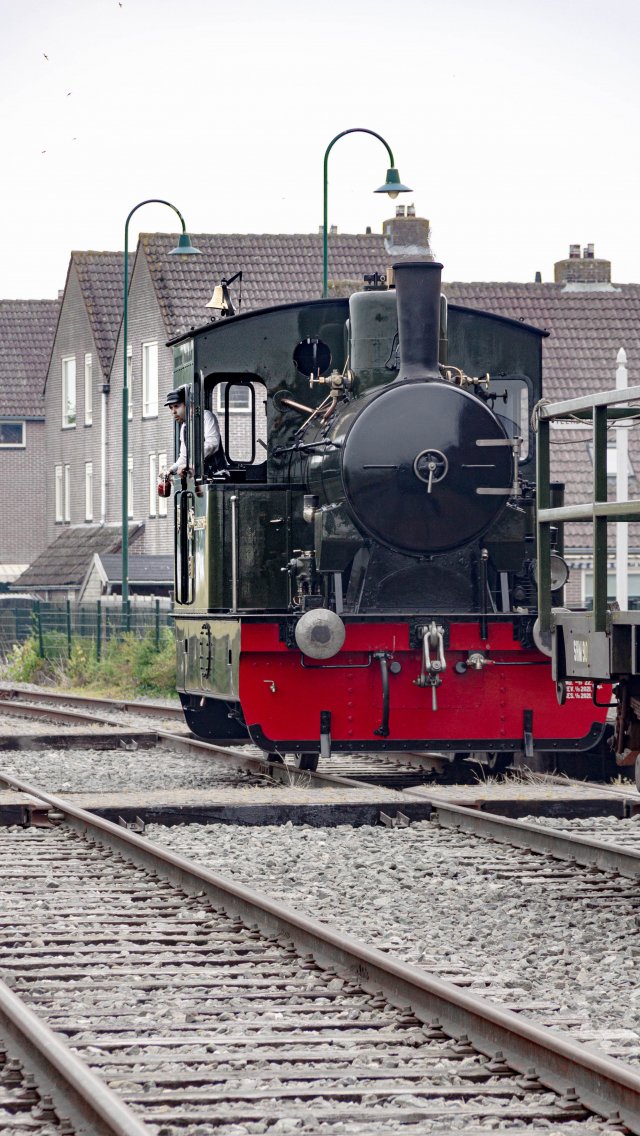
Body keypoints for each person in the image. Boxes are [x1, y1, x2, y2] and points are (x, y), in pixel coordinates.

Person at [164, 388, 227, 477]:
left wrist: (189, 463)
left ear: (188, 405)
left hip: (218, 475)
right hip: (200, 477)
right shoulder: (184, 427)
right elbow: (184, 457)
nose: (173, 411)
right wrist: (169, 471)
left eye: (176, 406)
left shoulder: (206, 416)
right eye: (171, 408)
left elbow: (212, 445)